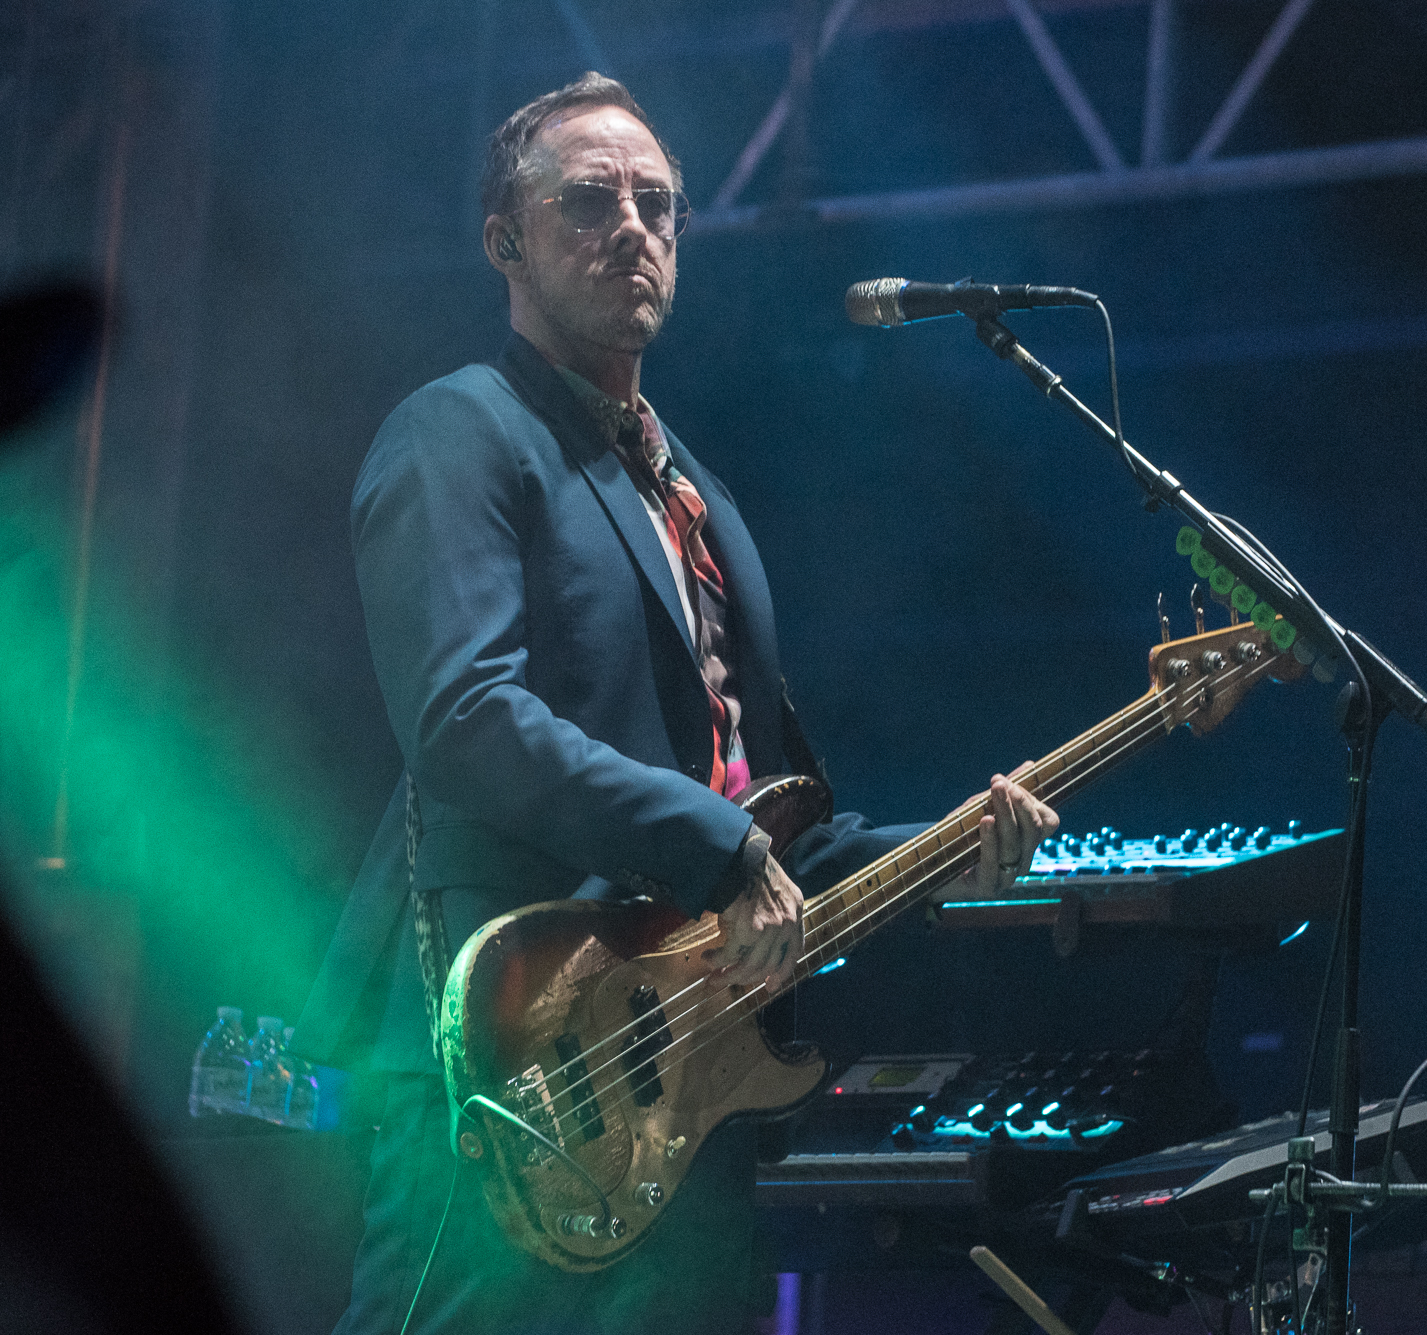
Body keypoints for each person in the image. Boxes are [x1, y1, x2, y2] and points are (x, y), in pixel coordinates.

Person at [291, 73, 1057, 1335]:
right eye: (589, 201)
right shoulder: (461, 429)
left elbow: (761, 814)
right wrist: (722, 850)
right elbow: (464, 719)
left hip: (685, 1085)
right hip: (522, 1054)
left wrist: (941, 853)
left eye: (657, 205)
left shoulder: (700, 499)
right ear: (505, 243)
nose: (632, 228)